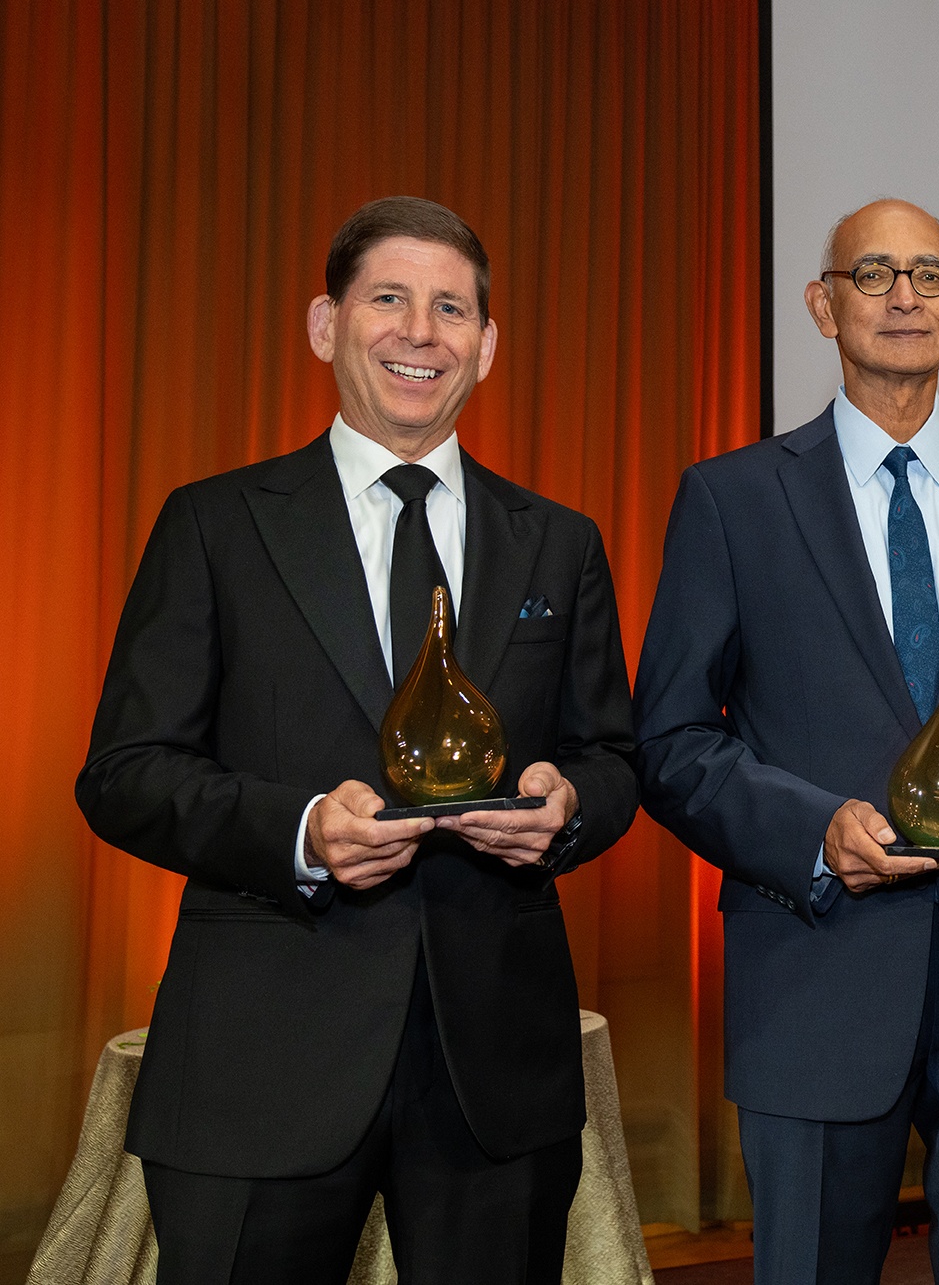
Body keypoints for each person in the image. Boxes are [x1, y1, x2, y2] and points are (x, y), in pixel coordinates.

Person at [76, 196, 640, 1284]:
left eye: (450, 308)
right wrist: (297, 830)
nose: (420, 332)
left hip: (495, 1075)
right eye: (388, 298)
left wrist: (567, 808)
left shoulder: (560, 542)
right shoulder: (217, 523)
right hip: (260, 1063)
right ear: (325, 324)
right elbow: (125, 773)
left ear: (487, 343)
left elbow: (612, 755)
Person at [634, 198, 939, 1285]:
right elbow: (669, 739)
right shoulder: (731, 499)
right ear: (822, 304)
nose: (902, 295)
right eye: (872, 273)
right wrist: (816, 831)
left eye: (927, 275)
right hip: (814, 980)